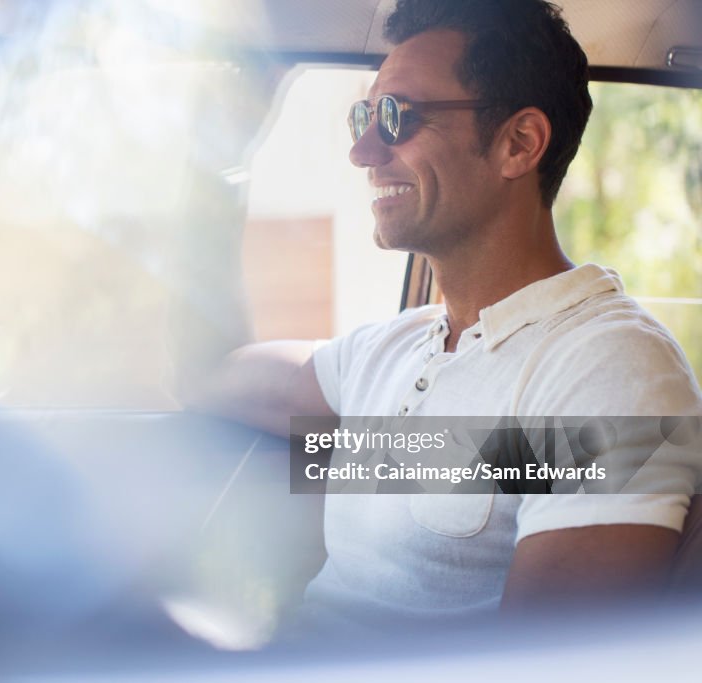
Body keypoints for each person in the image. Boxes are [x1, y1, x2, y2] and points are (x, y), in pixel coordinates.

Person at [181, 0, 702, 621]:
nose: (364, 152)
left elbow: (544, 666)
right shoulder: (387, 351)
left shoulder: (611, 370)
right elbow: (205, 376)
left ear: (519, 143)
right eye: (362, 117)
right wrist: (218, 157)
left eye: (398, 117)